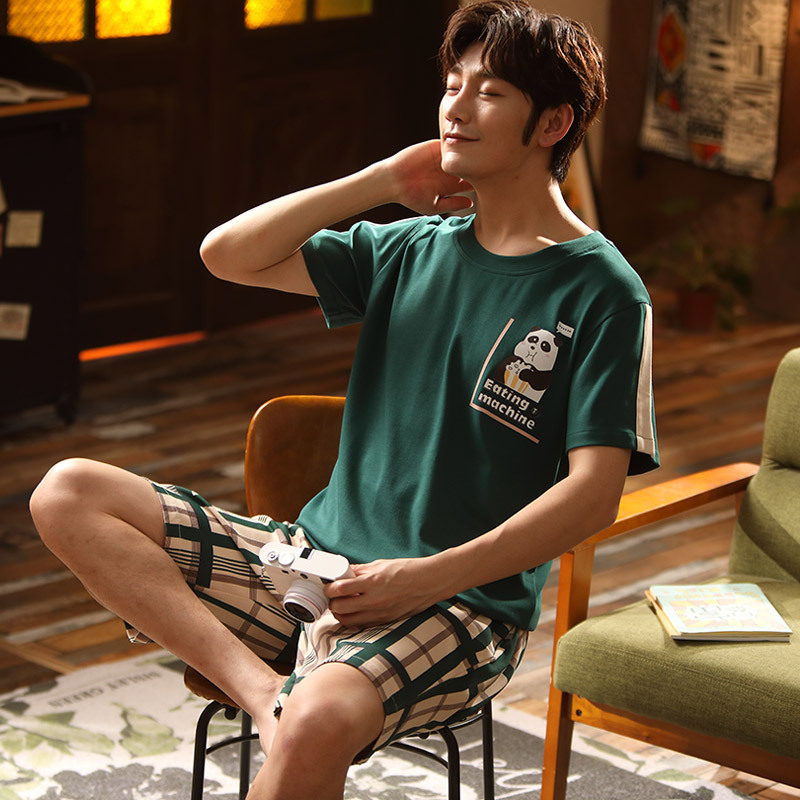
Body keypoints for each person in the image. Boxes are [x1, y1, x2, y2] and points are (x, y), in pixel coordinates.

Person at [30, 2, 659, 798]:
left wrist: (424, 578)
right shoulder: (409, 249)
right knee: (69, 492)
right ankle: (265, 693)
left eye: (491, 92)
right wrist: (380, 182)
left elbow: (593, 495)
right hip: (311, 564)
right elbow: (226, 255)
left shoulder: (605, 293)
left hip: (461, 605)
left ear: (553, 123)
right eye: (453, 84)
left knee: (319, 716)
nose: (457, 107)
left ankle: (295, 707)